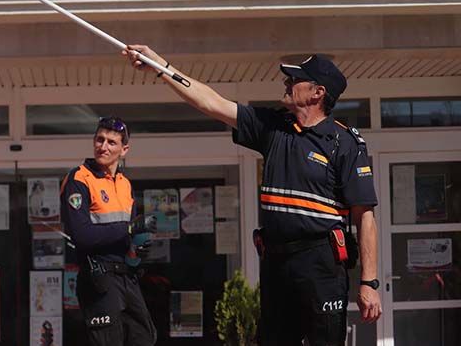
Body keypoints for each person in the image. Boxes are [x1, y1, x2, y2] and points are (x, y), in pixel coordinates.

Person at [124, 48, 381, 346]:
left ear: (317, 93)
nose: (286, 83)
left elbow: (365, 216)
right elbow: (211, 102)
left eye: (295, 80)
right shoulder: (273, 128)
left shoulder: (344, 143)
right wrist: (161, 66)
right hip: (276, 263)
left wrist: (369, 282)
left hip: (320, 264)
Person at [61, 117, 157, 346]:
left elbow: (128, 237)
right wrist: (129, 228)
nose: (103, 146)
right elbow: (82, 236)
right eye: (99, 139)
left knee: (145, 337)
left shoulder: (125, 184)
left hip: (127, 277)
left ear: (124, 150)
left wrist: (137, 249)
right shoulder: (79, 178)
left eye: (111, 142)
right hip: (99, 279)